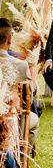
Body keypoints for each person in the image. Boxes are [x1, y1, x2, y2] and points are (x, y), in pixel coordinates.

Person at [0, 18, 39, 148]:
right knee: (33, 118)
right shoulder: (20, 65)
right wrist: (33, 74)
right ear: (10, 39)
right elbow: (29, 97)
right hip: (8, 122)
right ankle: (21, 153)